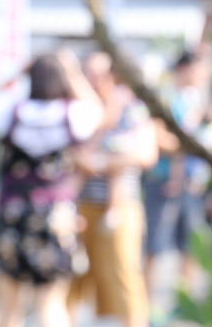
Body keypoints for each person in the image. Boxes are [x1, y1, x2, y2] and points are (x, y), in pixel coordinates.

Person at [0, 51, 103, 327]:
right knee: (51, 303)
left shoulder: (12, 112)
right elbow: (98, 111)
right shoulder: (71, 114)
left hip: (12, 211)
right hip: (56, 214)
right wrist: (73, 73)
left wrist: (15, 73)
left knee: (8, 308)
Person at [68, 52, 158, 327]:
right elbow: (74, 156)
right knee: (75, 276)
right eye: (89, 74)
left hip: (122, 206)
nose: (95, 81)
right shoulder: (82, 112)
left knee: (123, 273)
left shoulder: (132, 108)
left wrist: (102, 162)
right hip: (84, 205)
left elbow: (145, 154)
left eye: (101, 74)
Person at [143, 49, 212, 305]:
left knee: (191, 246)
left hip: (191, 185)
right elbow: (160, 139)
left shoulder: (193, 100)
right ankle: (147, 310)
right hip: (163, 183)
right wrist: (185, 146)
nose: (204, 75)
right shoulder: (165, 99)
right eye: (200, 69)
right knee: (155, 247)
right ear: (185, 68)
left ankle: (183, 308)